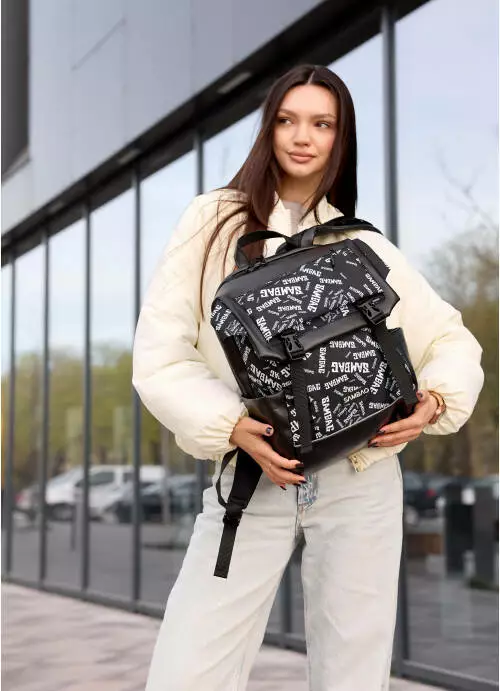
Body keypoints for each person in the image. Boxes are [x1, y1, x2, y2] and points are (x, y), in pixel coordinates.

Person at [132, 64, 484, 691]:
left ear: (340, 137)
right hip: (252, 478)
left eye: (322, 124)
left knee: (354, 676)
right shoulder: (214, 221)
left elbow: (451, 340)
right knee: (188, 671)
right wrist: (230, 425)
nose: (303, 137)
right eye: (287, 120)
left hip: (361, 482)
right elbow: (161, 353)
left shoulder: (360, 245)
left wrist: (433, 401)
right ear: (268, 129)